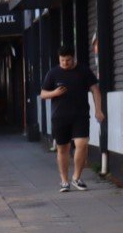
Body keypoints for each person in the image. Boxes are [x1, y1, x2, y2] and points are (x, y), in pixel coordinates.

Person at [37, 48, 106, 192]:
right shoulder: (53, 73)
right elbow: (43, 94)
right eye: (62, 60)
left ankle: (76, 177)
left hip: (80, 115)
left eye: (68, 60)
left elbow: (95, 90)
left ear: (73, 58)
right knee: (63, 148)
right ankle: (64, 181)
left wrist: (98, 110)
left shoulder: (83, 71)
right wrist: (54, 93)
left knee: (82, 144)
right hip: (60, 116)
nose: (65, 63)